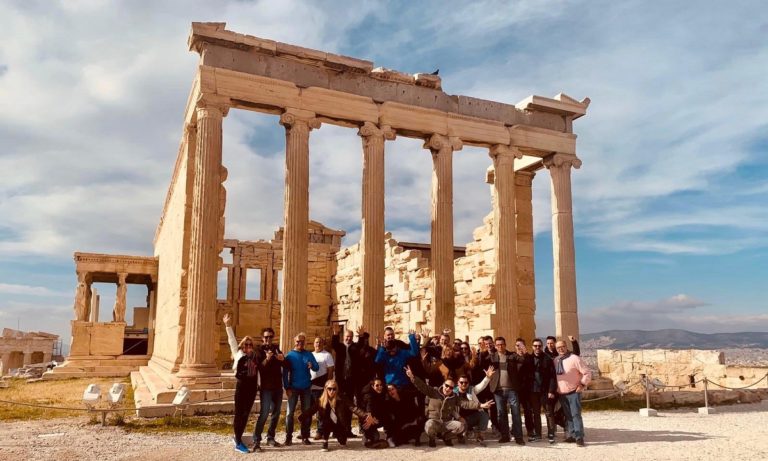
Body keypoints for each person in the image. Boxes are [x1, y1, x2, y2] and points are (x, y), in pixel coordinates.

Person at [405, 365, 492, 447]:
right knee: (429, 425)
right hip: (434, 421)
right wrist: (412, 377)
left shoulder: (455, 397)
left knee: (461, 426)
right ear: (443, 385)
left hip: (446, 423)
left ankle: (447, 437)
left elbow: (466, 403)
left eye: (451, 387)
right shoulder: (434, 392)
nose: (448, 388)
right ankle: (432, 438)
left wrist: (481, 405)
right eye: (446, 386)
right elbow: (422, 386)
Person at [298, 379, 377, 452]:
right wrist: (301, 417)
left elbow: (354, 408)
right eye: (329, 389)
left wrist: (366, 416)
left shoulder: (342, 398)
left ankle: (340, 436)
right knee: (325, 422)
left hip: (340, 424)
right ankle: (325, 442)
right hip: (326, 424)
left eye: (334, 389)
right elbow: (311, 410)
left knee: (343, 442)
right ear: (325, 389)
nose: (332, 391)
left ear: (337, 389)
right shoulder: (320, 401)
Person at [223, 313, 259, 454]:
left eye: (250, 344)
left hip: (252, 387)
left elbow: (258, 373)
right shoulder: (238, 354)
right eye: (246, 344)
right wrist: (228, 325)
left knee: (246, 414)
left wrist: (259, 386)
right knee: (239, 414)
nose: (248, 346)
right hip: (241, 386)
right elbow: (232, 341)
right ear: (242, 345)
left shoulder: (255, 357)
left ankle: (238, 437)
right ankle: (238, 442)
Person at [283, 332, 320, 446]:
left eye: (302, 341)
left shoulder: (308, 354)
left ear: (305, 342)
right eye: (298, 341)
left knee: (306, 413)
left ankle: (305, 436)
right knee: (289, 414)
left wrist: (312, 365)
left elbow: (317, 367)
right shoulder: (290, 356)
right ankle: (288, 437)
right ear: (294, 342)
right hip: (293, 388)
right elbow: (285, 373)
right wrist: (287, 387)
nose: (300, 343)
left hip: (306, 388)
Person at [330, 323, 366, 438]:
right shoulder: (340, 346)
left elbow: (361, 345)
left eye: (350, 336)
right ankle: (336, 430)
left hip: (351, 380)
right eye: (346, 336)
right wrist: (335, 334)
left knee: (350, 405)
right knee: (338, 405)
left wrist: (361, 336)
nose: (348, 338)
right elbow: (334, 344)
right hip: (340, 381)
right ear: (343, 337)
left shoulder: (355, 347)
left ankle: (348, 430)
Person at [488, 336, 526, 445]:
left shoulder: (512, 355)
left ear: (505, 345)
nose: (500, 346)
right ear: (495, 346)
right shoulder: (492, 357)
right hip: (498, 390)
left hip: (512, 389)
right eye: (498, 345)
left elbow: (522, 360)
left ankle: (518, 437)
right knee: (501, 414)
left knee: (516, 413)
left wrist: (523, 351)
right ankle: (505, 436)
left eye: (502, 344)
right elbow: (481, 361)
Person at [554, 340, 591, 447]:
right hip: (562, 393)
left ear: (566, 346)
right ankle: (572, 435)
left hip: (574, 391)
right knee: (568, 415)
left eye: (562, 346)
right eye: (558, 348)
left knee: (575, 414)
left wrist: (582, 384)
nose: (561, 349)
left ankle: (579, 437)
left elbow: (587, 372)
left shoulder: (574, 358)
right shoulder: (556, 360)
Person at [253, 326, 284, 450]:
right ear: (262, 338)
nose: (268, 339)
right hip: (266, 387)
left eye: (271, 337)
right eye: (266, 337)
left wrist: (283, 359)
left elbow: (285, 365)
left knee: (276, 413)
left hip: (277, 386)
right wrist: (267, 359)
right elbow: (259, 368)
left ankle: (271, 437)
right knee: (264, 413)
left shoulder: (276, 349)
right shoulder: (258, 350)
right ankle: (256, 440)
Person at [456, 365, 496, 445]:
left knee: (484, 415)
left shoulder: (471, 390)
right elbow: (453, 410)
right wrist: (458, 417)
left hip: (471, 418)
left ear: (468, 383)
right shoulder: (453, 393)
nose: (463, 384)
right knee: (458, 426)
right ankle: (460, 434)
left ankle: (480, 436)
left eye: (466, 382)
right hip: (458, 419)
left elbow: (481, 386)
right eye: (461, 382)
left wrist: (487, 377)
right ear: (458, 383)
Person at [528, 338, 557, 443]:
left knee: (549, 412)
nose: (537, 347)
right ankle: (538, 434)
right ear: (532, 347)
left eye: (539, 346)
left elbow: (552, 376)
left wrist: (551, 390)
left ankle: (551, 433)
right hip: (533, 391)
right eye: (535, 346)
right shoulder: (529, 359)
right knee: (536, 413)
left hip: (545, 390)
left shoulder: (547, 359)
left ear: (542, 346)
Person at [310, 337, 335, 439]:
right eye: (316, 342)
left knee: (321, 411)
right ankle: (305, 431)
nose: (318, 344)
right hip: (309, 387)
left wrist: (327, 387)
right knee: (308, 410)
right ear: (313, 344)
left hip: (321, 387)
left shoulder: (327, 355)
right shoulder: (310, 355)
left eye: (320, 342)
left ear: (323, 344)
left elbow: (330, 371)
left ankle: (320, 431)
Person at [361, 378, 396, 447]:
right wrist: (370, 417)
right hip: (368, 419)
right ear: (372, 386)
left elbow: (385, 408)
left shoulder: (384, 393)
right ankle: (366, 435)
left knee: (390, 417)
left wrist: (377, 418)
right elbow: (369, 405)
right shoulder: (368, 395)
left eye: (381, 385)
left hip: (377, 418)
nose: (379, 387)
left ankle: (389, 437)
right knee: (375, 437)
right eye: (377, 385)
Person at [515, 338, 535, 438]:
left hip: (527, 389)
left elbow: (531, 367)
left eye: (521, 345)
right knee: (515, 410)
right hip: (516, 389)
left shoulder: (529, 357)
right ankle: (516, 429)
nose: (519, 347)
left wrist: (526, 354)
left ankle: (530, 429)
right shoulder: (513, 357)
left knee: (528, 410)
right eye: (517, 345)